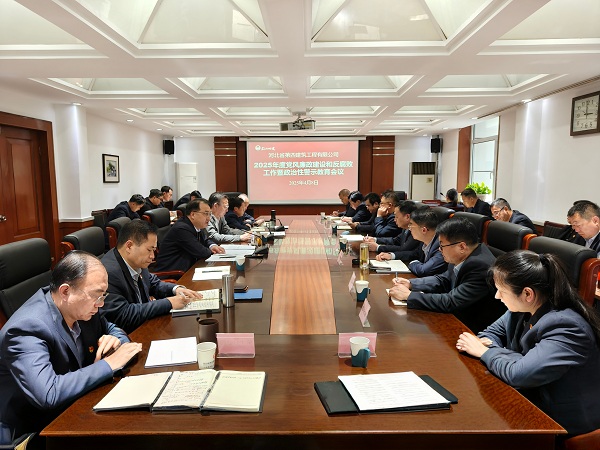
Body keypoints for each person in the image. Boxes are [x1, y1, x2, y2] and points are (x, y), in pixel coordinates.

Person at [0, 251, 142, 446]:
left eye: (103, 295)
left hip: (74, 406)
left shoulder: (81, 307)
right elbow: (48, 394)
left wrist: (116, 340)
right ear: (65, 291)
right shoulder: (26, 328)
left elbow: (110, 327)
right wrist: (109, 364)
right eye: (97, 295)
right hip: (31, 430)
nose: (101, 304)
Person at [456, 250, 600, 436]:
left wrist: (485, 353)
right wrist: (516, 359)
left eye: (502, 291)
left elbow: (519, 374)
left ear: (527, 293)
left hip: (562, 423)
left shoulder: (566, 326)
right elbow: (489, 334)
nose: (497, 296)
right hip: (530, 399)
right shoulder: (521, 308)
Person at [389, 217, 505, 333]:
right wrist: (411, 284)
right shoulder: (463, 255)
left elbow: (451, 301)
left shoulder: (480, 266)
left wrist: (409, 296)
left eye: (442, 246)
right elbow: (444, 279)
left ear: (461, 247)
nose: (440, 250)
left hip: (472, 328)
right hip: (457, 317)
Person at [101, 220, 202, 333]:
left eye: (154, 250)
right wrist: (168, 303)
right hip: (128, 335)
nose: (152, 256)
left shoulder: (136, 260)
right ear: (129, 246)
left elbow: (152, 282)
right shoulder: (108, 273)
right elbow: (123, 315)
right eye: (149, 250)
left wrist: (175, 289)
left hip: (145, 324)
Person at [154, 199, 225, 272]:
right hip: (174, 273)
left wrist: (212, 245)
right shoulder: (181, 229)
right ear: (193, 215)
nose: (209, 218)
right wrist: (212, 251)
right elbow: (201, 252)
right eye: (206, 214)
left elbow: (205, 240)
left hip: (189, 268)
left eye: (210, 214)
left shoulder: (196, 225)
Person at [377, 207, 447, 277]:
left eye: (411, 225)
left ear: (424, 230)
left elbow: (423, 270)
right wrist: (391, 255)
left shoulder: (441, 247)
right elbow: (415, 254)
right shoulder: (424, 240)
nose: (409, 228)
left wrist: (413, 262)